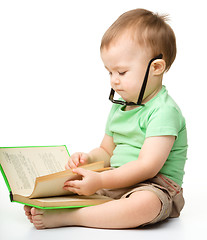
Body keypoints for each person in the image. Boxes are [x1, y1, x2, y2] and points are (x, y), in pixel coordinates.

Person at [24, 8, 188, 229]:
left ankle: (70, 217)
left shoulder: (164, 111)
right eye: (109, 72)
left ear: (156, 67)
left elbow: (147, 167)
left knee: (144, 205)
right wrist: (89, 159)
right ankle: (50, 204)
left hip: (154, 185)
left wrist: (101, 181)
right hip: (115, 179)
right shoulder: (121, 107)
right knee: (74, 182)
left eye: (121, 72)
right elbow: (107, 152)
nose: (114, 81)